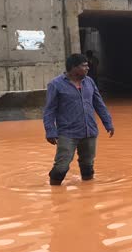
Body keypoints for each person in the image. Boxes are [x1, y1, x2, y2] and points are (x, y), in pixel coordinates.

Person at [43, 53, 114, 186]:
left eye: (87, 66)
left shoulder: (89, 82)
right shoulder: (56, 85)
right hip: (67, 133)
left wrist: (108, 123)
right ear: (74, 68)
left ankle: (88, 193)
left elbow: (99, 104)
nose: (88, 68)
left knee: (88, 165)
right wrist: (50, 131)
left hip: (89, 131)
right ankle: (55, 193)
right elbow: (49, 110)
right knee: (61, 166)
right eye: (84, 66)